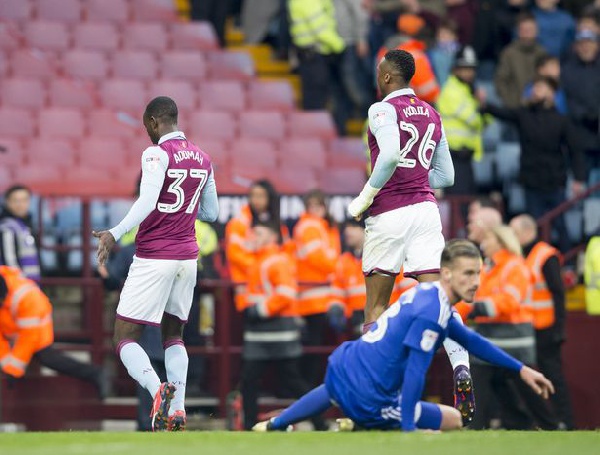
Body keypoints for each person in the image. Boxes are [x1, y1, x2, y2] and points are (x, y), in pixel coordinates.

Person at [252, 239, 554, 432]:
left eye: (477, 273)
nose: (475, 282)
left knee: (333, 390)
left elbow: (471, 340)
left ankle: (275, 424)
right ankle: (374, 423)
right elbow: (415, 372)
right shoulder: (432, 312)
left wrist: (522, 369)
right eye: (467, 274)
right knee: (453, 420)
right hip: (371, 395)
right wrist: (409, 431)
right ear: (446, 274)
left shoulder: (425, 293)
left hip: (345, 366)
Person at [347, 48, 477, 422]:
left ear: (387, 77)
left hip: (388, 213)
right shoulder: (434, 115)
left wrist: (364, 198)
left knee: (376, 305)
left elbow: (387, 157)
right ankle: (460, 368)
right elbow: (447, 177)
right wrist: (418, 180)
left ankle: (373, 390)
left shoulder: (381, 110)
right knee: (440, 298)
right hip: (425, 212)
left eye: (379, 73)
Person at [93, 96, 219, 432]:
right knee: (174, 335)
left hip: (154, 256)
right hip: (187, 258)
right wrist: (183, 211)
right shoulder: (204, 158)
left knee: (123, 337)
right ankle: (177, 409)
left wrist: (115, 233)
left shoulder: (155, 153)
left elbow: (147, 200)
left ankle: (156, 389)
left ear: (152, 122)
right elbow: (212, 214)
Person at [456, 226, 558, 430]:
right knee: (491, 385)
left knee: (524, 388)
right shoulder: (488, 267)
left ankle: (549, 426)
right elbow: (472, 298)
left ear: (501, 241)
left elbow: (510, 301)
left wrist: (477, 308)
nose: (483, 243)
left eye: (488, 238)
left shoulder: (515, 266)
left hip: (514, 339)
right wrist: (457, 311)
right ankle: (481, 426)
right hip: (489, 337)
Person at [481, 75, 586, 252]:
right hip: (531, 181)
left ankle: (568, 263)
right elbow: (503, 113)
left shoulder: (561, 121)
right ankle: (534, 263)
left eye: (542, 87)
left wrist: (578, 178)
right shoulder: (524, 115)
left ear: (552, 93)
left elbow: (575, 150)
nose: (536, 91)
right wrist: (485, 105)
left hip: (555, 180)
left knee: (560, 225)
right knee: (533, 227)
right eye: (535, 87)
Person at [241, 221, 327, 431]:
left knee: (290, 382)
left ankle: (320, 423)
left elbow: (286, 294)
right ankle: (250, 426)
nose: (253, 237)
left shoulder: (275, 260)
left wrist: (259, 311)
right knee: (252, 382)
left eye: (258, 233)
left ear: (272, 237)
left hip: (278, 332)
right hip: (261, 334)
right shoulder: (260, 261)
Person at [0, 266, 108, 399]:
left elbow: (28, 338)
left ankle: (95, 373)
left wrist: (12, 370)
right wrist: (6, 365)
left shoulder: (27, 297)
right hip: (11, 331)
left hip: (37, 332)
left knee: (48, 358)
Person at [510, 214, 574, 429]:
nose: (512, 237)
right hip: (528, 328)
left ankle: (565, 421)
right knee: (529, 378)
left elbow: (558, 294)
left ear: (528, 232)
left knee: (553, 376)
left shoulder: (545, 255)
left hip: (547, 329)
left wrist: (559, 328)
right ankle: (547, 422)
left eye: (515, 232)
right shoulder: (522, 256)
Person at [329, 218, 417, 337]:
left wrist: (397, 314)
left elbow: (410, 291)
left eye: (354, 227)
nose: (347, 231)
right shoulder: (343, 262)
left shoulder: (389, 256)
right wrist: (336, 309)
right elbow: (337, 294)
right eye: (347, 227)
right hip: (356, 324)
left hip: (389, 322)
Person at [293, 189, 341, 386]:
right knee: (313, 346)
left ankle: (311, 387)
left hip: (323, 296)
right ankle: (308, 388)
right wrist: (335, 267)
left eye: (318, 205)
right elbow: (321, 259)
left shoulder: (325, 226)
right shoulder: (309, 226)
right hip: (311, 296)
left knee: (317, 345)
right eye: (311, 205)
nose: (315, 209)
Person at [225, 180, 290, 314]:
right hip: (248, 292)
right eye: (253, 195)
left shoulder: (278, 226)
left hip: (275, 292)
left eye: (261, 196)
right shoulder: (240, 222)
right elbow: (235, 254)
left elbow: (286, 254)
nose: (256, 200)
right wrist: (260, 269)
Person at [437, 45, 490, 196]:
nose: (469, 73)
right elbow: (475, 121)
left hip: (466, 155)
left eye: (471, 68)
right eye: (464, 68)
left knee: (468, 199)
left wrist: (482, 105)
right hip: (453, 155)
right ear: (455, 69)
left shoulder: (467, 90)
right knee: (459, 201)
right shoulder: (451, 90)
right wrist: (480, 105)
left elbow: (486, 121)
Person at [495, 12, 548, 109]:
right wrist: (511, 104)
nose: (528, 34)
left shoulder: (542, 53)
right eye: (524, 30)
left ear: (536, 31)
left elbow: (547, 81)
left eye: (530, 30)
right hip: (515, 109)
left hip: (538, 110)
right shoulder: (509, 53)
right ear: (518, 31)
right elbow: (501, 81)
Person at [0, 185, 40, 283]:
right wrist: (20, 283)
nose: (20, 204)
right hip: (15, 288)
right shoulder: (6, 228)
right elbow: (9, 262)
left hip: (30, 285)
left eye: (24, 200)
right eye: (16, 200)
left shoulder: (26, 226)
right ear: (7, 202)